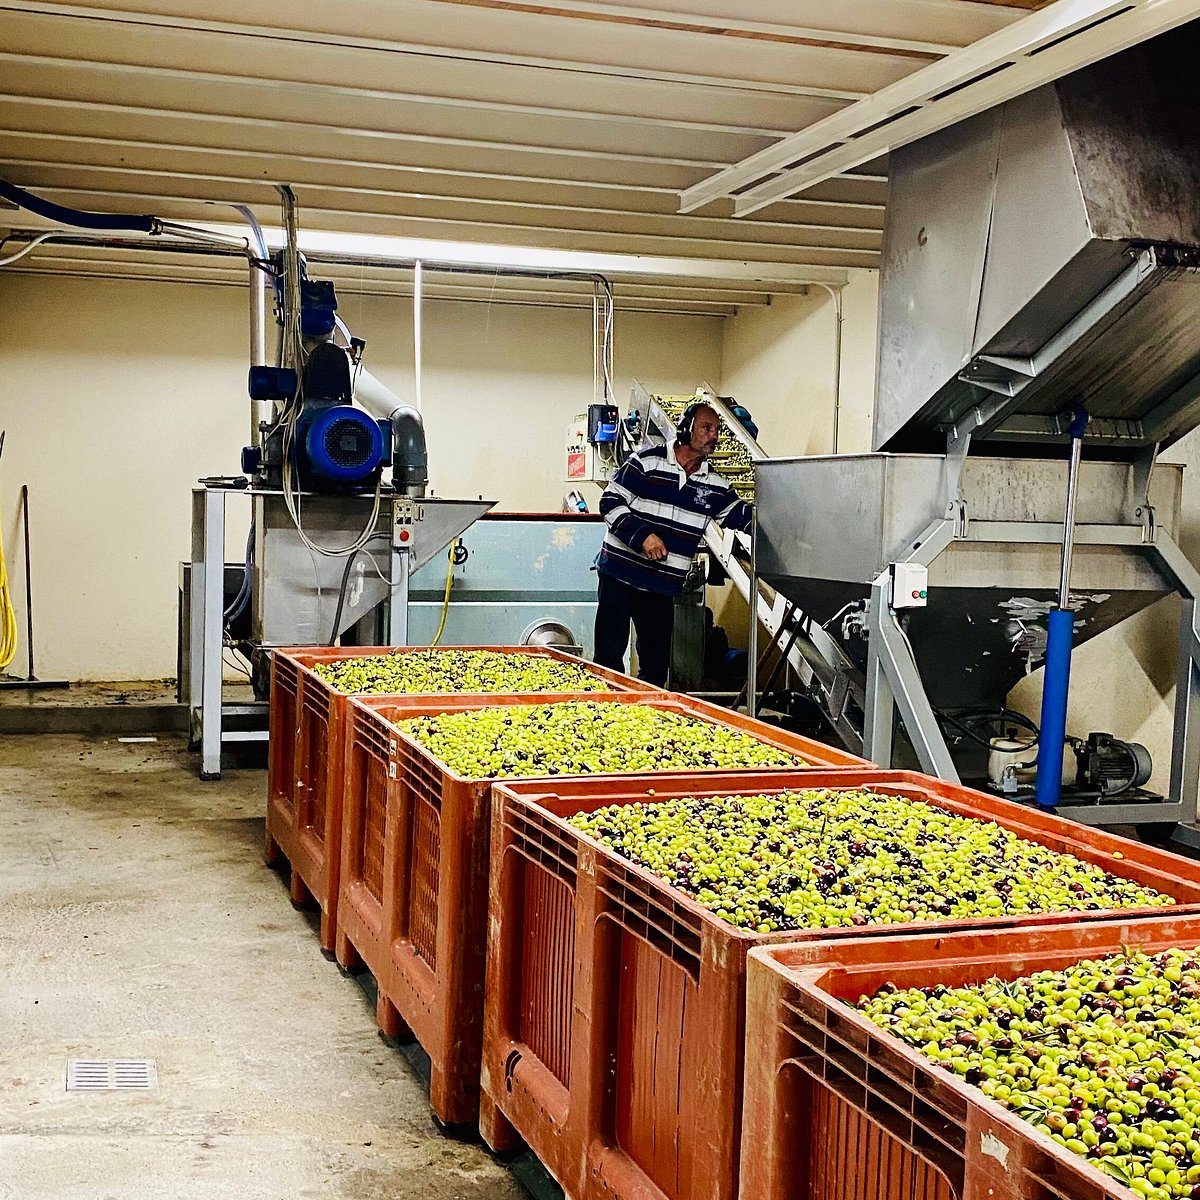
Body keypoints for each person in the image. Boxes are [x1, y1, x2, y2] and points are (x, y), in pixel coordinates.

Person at [593, 401, 753, 686]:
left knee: (655, 666)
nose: (713, 436)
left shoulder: (713, 484)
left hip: (660, 587)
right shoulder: (647, 461)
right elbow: (610, 502)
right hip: (619, 575)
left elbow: (741, 516)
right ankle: (605, 717)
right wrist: (642, 536)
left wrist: (782, 520)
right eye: (706, 428)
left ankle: (643, 722)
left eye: (717, 430)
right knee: (608, 659)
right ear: (686, 429)